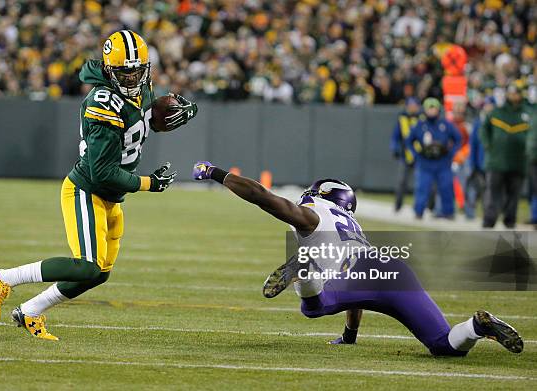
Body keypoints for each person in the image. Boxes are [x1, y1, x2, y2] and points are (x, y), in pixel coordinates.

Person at [0, 30, 198, 340]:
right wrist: (150, 183)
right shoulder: (103, 102)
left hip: (112, 197)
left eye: (138, 70)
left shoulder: (137, 89)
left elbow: (138, 123)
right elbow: (102, 172)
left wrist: (171, 113)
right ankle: (3, 278)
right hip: (88, 190)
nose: (133, 77)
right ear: (110, 71)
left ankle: (31, 310)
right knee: (86, 267)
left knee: (99, 273)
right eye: (125, 72)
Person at [192, 161, 523, 356]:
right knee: (443, 345)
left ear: (321, 194)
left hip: (351, 273)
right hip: (390, 269)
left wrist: (216, 172)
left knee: (314, 306)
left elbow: (262, 196)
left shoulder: (313, 212)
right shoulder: (352, 224)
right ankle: (478, 326)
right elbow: (360, 284)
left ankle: (304, 270)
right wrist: (350, 335)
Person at [480, 83, 529, 229]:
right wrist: (488, 145)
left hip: (518, 161)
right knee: (493, 192)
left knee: (514, 194)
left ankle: (510, 220)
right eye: (511, 93)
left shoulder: (528, 113)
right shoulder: (497, 112)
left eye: (516, 93)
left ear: (521, 95)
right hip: (497, 161)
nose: (513, 96)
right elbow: (484, 130)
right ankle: (489, 220)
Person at [406, 98, 461, 219]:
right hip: (425, 162)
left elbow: (458, 138)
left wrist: (451, 153)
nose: (431, 111)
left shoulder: (445, 124)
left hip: (443, 161)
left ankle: (449, 212)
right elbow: (409, 141)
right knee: (422, 187)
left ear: (438, 109)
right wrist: (416, 154)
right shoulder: (420, 125)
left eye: (434, 108)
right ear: (425, 110)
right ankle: (418, 212)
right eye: (429, 108)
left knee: (446, 187)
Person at [390, 97, 422, 211]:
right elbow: (395, 136)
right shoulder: (402, 118)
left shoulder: (422, 119)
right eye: (410, 105)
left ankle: (421, 206)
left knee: (421, 182)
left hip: (419, 155)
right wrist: (395, 148)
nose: (412, 108)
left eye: (414, 106)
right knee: (401, 182)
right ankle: (398, 205)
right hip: (405, 154)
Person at [466, 96, 495, 219]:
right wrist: (472, 163)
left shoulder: (497, 123)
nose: (488, 107)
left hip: (492, 163)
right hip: (479, 162)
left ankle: (487, 214)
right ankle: (470, 213)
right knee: (474, 188)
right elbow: (473, 144)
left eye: (490, 105)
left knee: (489, 190)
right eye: (486, 105)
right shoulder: (478, 122)